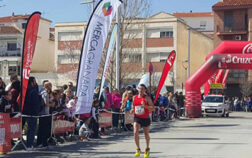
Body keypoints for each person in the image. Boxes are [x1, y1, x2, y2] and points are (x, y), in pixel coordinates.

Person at [130, 84, 155, 158]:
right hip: (137, 117)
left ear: (145, 90)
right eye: (139, 89)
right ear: (138, 89)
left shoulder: (147, 98)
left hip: (145, 117)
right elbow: (133, 106)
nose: (140, 90)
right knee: (135, 132)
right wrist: (132, 109)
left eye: (142, 89)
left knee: (146, 134)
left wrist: (145, 106)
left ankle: (147, 148)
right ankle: (138, 148)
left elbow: (153, 108)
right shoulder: (134, 97)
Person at [22, 76, 42, 150]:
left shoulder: (25, 90)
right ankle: (29, 145)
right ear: (32, 81)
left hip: (25, 111)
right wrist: (37, 111)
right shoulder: (33, 91)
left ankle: (28, 144)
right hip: (32, 113)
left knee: (27, 128)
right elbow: (36, 103)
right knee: (32, 129)